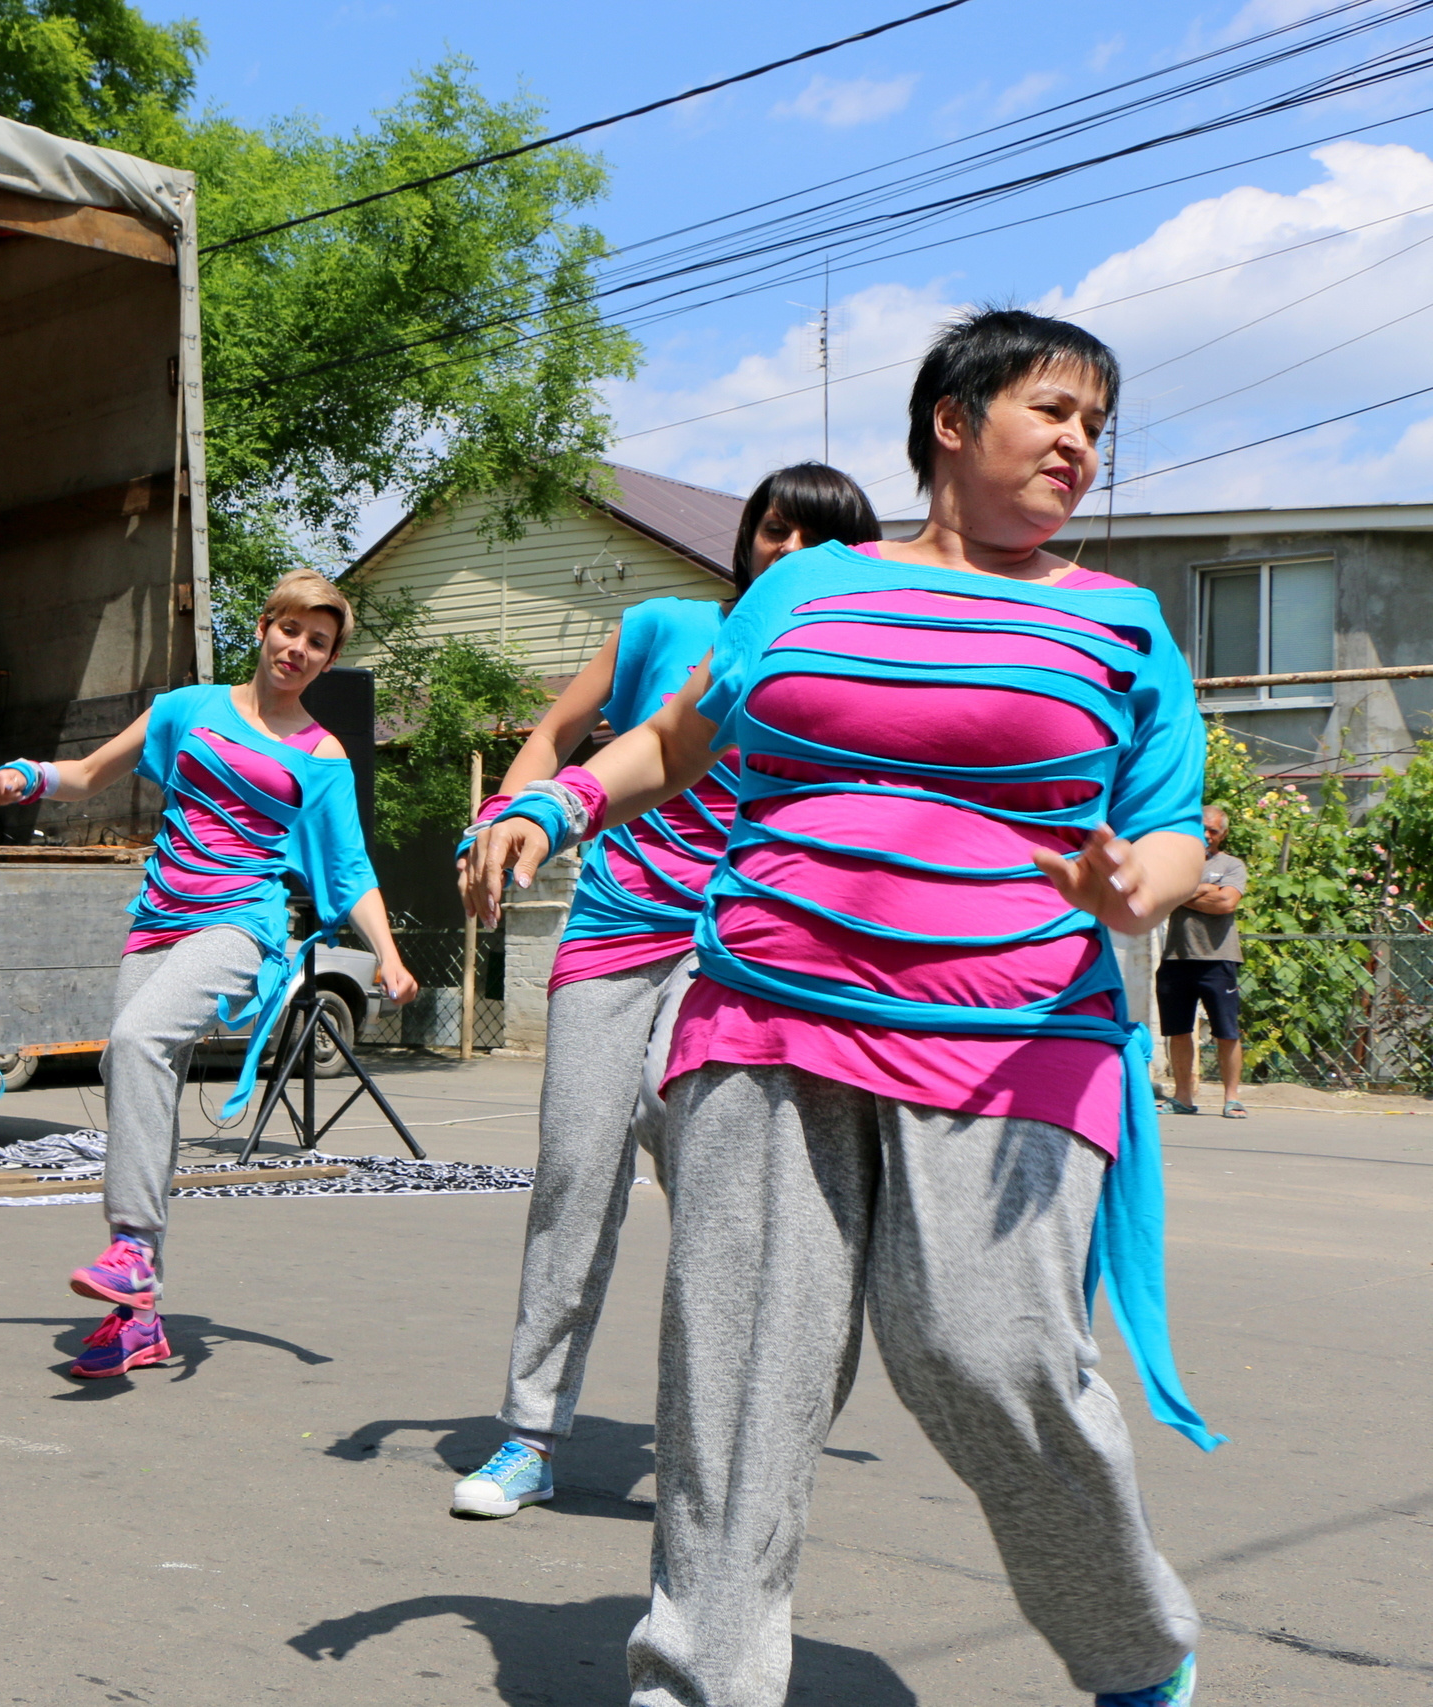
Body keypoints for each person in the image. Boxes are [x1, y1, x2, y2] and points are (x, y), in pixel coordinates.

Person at [473, 309, 1215, 1706]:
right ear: (952, 418)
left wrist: (1135, 885)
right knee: (741, 1372)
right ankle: (699, 1677)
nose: (1079, 444)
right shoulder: (803, 593)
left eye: (1095, 427)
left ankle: (1133, 1646)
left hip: (1012, 1040)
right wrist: (559, 799)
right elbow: (690, 734)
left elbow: (1169, 824)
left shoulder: (1116, 620)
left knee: (988, 1356)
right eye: (1054, 410)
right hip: (763, 1011)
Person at [444, 462, 878, 1521]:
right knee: (573, 1175)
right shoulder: (660, 629)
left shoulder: (843, 669)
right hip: (610, 930)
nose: (783, 553)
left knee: (719, 1182)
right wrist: (501, 818)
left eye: (813, 542)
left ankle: (740, 1425)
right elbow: (552, 740)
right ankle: (531, 1434)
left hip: (735, 948)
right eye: (771, 530)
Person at [0, 571, 419, 1379]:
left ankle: (131, 1251)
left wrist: (387, 954)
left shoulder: (321, 756)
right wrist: (29, 775)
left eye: (318, 643)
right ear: (263, 627)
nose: (299, 648)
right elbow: (88, 774)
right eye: (290, 629)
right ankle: (137, 1318)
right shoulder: (188, 708)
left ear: (328, 662)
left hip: (239, 925)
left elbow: (351, 869)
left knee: (138, 1038)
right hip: (157, 919)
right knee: (130, 1067)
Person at [1158, 806, 1246, 1118]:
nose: (1207, 835)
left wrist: (1181, 892)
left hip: (1218, 958)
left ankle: (1232, 1098)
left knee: (1227, 1031)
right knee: (1178, 1030)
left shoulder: (1232, 865)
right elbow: (1159, 892)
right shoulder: (1175, 862)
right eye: (1202, 828)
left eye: (1214, 831)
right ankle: (1183, 1097)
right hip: (1176, 957)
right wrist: (1205, 889)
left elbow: (1226, 902)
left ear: (1223, 835)